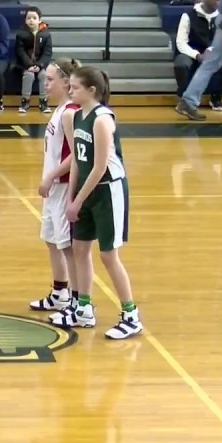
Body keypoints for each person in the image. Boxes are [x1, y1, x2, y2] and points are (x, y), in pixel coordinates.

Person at [54, 67, 143, 341]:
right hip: (85, 190)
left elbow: (100, 166)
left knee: (108, 255)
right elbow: (79, 162)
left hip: (108, 190)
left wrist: (78, 200)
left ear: (92, 90)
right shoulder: (74, 116)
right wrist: (71, 198)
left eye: (76, 88)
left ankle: (131, 315)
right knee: (79, 249)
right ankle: (83, 309)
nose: (71, 91)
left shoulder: (102, 119)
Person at [29, 58, 82, 317]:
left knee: (66, 245)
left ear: (65, 82)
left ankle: (77, 300)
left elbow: (77, 155)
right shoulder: (59, 109)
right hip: (53, 189)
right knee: (51, 240)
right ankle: (60, 292)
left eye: (50, 79)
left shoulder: (71, 112)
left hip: (62, 187)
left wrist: (50, 177)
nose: (45, 84)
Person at [173, 0, 222, 112]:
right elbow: (181, 42)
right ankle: (185, 98)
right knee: (181, 63)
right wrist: (197, 55)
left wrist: (213, 52)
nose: (217, 1)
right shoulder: (188, 15)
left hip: (213, 54)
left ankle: (217, 96)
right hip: (192, 53)